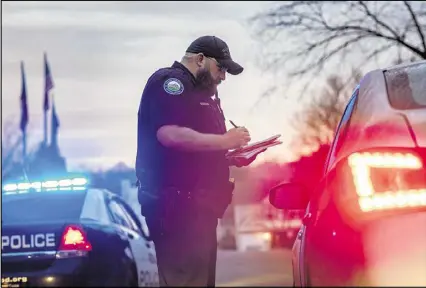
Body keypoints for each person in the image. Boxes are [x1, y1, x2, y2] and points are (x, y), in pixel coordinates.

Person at [135, 35, 258, 287]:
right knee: (186, 281)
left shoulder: (198, 94)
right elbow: (170, 134)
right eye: (220, 68)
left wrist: (232, 155)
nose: (223, 76)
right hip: (176, 210)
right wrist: (225, 141)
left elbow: (198, 148)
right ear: (200, 59)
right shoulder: (170, 83)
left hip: (197, 210)